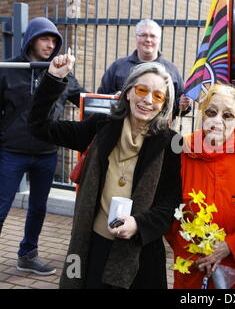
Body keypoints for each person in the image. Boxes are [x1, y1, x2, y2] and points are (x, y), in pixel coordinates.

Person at [28, 52, 181, 288]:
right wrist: (53, 80)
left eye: (158, 95)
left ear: (164, 105)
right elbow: (40, 127)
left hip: (140, 254)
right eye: (142, 90)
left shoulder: (171, 143)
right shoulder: (102, 127)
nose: (148, 100)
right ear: (129, 92)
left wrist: (139, 224)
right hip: (93, 246)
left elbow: (170, 202)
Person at [0, 17, 85, 276]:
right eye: (44, 39)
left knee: (38, 208)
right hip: (11, 151)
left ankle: (28, 255)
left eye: (54, 41)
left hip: (46, 152)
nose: (50, 45)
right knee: (1, 206)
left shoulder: (61, 71)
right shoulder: (8, 68)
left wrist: (115, 101)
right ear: (31, 40)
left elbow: (84, 99)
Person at [165, 84, 235, 289]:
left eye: (227, 115)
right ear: (202, 115)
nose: (217, 120)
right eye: (211, 112)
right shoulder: (182, 150)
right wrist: (190, 247)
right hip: (193, 265)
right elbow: (167, 207)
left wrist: (231, 246)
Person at [97, 18, 191, 119]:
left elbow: (177, 107)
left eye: (153, 36)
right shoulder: (117, 67)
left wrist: (184, 106)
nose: (148, 40)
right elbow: (102, 99)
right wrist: (118, 98)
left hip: (158, 131)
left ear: (159, 40)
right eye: (143, 35)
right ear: (136, 38)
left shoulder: (172, 71)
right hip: (120, 130)